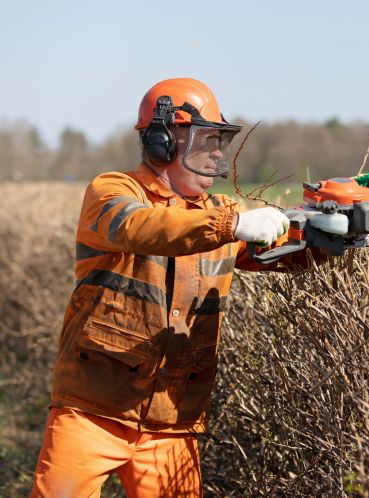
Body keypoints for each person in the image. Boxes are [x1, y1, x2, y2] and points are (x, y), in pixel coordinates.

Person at [30, 78, 323, 497]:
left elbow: (290, 253)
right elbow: (140, 227)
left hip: (172, 420)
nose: (218, 153)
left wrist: (330, 234)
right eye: (207, 140)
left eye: (220, 140)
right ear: (161, 142)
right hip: (92, 409)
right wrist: (233, 224)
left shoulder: (220, 213)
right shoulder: (112, 192)